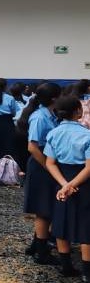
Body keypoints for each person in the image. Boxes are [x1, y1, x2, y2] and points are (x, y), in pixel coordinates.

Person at [44, 95, 90, 279]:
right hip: (84, 182)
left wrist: (64, 185)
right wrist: (72, 185)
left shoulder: (54, 133)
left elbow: (50, 163)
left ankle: (66, 267)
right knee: (86, 224)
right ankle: (87, 273)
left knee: (62, 221)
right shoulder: (87, 134)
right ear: (78, 111)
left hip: (61, 179)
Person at [17, 82, 61, 265]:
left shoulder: (50, 114)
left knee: (47, 208)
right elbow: (32, 147)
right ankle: (41, 253)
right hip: (41, 165)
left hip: (46, 164)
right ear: (53, 99)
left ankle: (37, 244)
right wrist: (49, 167)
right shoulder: (39, 117)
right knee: (43, 210)